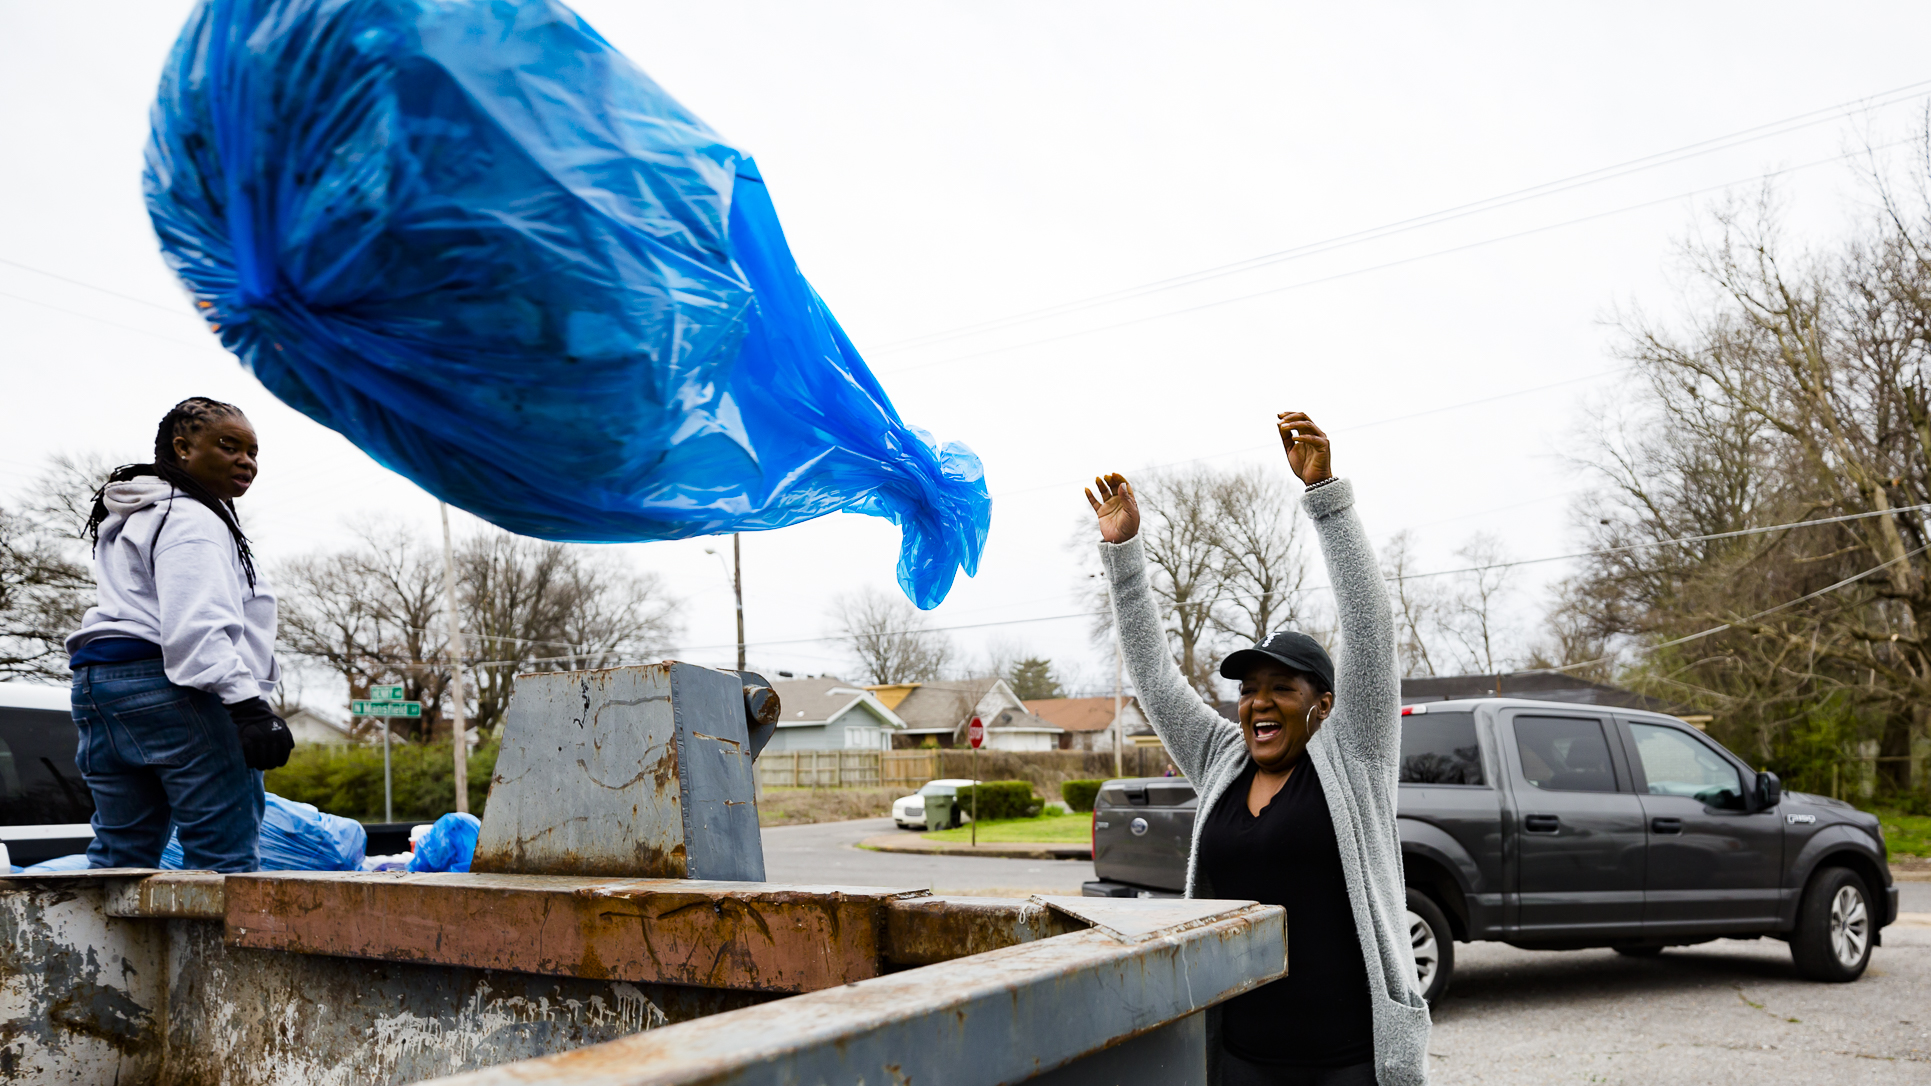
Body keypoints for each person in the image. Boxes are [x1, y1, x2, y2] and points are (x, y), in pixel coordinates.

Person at [1084, 412, 1428, 1086]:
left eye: (1280, 688)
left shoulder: (1353, 757)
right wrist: (1123, 556)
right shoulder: (1220, 761)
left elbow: (1368, 625)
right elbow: (1153, 677)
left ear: (1322, 704)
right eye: (1247, 690)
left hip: (1348, 1061)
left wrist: (1324, 496)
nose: (1258, 702)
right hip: (1242, 1059)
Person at [66, 397, 293, 872]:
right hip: (174, 692)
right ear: (183, 448)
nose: (246, 461)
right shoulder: (191, 518)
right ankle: (219, 951)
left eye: (253, 452)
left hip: (100, 689)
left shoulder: (140, 511)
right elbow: (195, 625)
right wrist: (248, 707)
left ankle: (108, 951)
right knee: (224, 866)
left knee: (120, 862)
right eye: (229, 446)